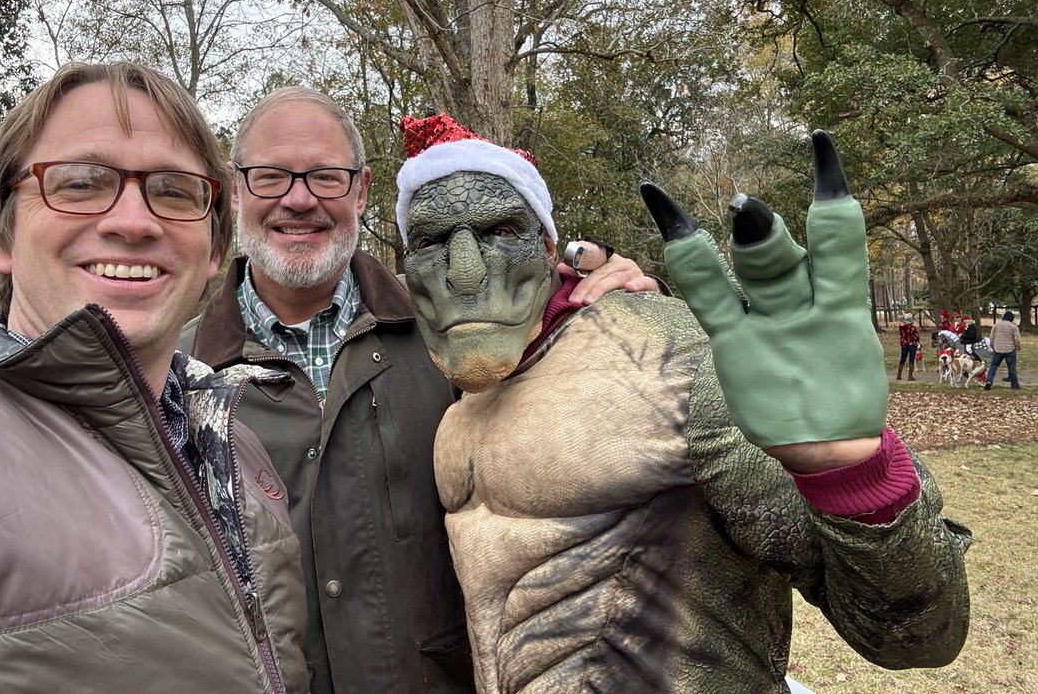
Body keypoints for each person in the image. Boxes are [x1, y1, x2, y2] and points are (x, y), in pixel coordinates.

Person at [395, 115, 971, 693]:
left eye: (498, 231)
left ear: (549, 247)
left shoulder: (673, 359)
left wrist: (852, 473)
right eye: (429, 241)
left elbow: (918, 635)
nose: (464, 270)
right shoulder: (454, 405)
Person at [180, 88, 656, 694]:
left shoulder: (464, 335)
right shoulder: (176, 376)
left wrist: (620, 308)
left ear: (361, 190)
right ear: (237, 188)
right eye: (271, 176)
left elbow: (611, 427)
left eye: (326, 176)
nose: (299, 200)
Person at [0, 63, 308, 693]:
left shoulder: (237, 446)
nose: (133, 221)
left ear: (213, 252)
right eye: (79, 183)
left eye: (176, 191)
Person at [985, 310, 1022, 391]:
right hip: (1010, 350)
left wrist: (993, 346)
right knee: (1012, 367)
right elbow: (1016, 339)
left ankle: (989, 381)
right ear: (1011, 318)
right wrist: (1018, 346)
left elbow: (991, 338)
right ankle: (1015, 385)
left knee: (993, 366)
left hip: (998, 349)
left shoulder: (996, 325)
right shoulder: (1013, 327)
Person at [896, 311, 919, 379]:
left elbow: (901, 334)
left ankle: (899, 375)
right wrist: (916, 342)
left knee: (902, 359)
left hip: (904, 344)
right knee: (911, 360)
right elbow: (917, 336)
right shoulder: (913, 328)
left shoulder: (901, 327)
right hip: (912, 344)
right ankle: (910, 376)